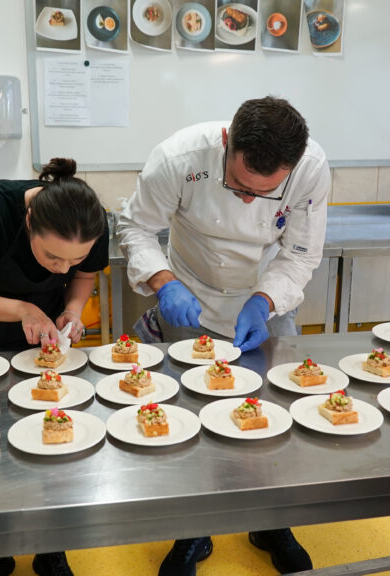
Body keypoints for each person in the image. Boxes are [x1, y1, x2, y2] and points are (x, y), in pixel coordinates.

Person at [116, 96, 330, 575]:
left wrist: (265, 299)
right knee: (189, 418)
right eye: (239, 186)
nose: (249, 199)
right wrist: (163, 282)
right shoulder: (177, 159)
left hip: (265, 298)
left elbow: (300, 253)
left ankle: (271, 521)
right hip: (189, 295)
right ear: (226, 142)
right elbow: (136, 226)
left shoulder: (312, 168)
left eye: (264, 193)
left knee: (273, 415)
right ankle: (193, 531)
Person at [0, 158, 109, 576]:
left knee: (52, 441)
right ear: (30, 220)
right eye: (52, 257)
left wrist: (72, 309)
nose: (62, 269)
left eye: (73, 258)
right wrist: (22, 309)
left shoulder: (91, 221)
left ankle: (51, 547)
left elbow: (84, 278)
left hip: (43, 339)